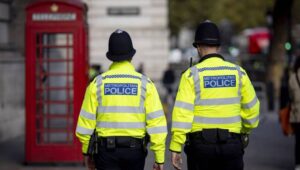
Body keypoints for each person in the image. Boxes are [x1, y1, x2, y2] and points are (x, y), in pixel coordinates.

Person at [170, 20, 260, 170]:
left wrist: (176, 146)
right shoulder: (238, 72)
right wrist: (244, 131)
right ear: (218, 46)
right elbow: (252, 109)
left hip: (201, 148)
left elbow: (182, 114)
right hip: (232, 145)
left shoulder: (191, 75)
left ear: (198, 47)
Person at [75, 29, 167, 170]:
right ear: (131, 56)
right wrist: (159, 157)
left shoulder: (97, 84)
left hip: (105, 152)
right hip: (135, 152)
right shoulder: (145, 84)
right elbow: (157, 123)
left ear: (110, 57)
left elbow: (85, 124)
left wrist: (88, 153)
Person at [289, 57, 300, 170]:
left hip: (297, 115)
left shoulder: (293, 77)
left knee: (298, 141)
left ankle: (298, 164)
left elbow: (290, 95)